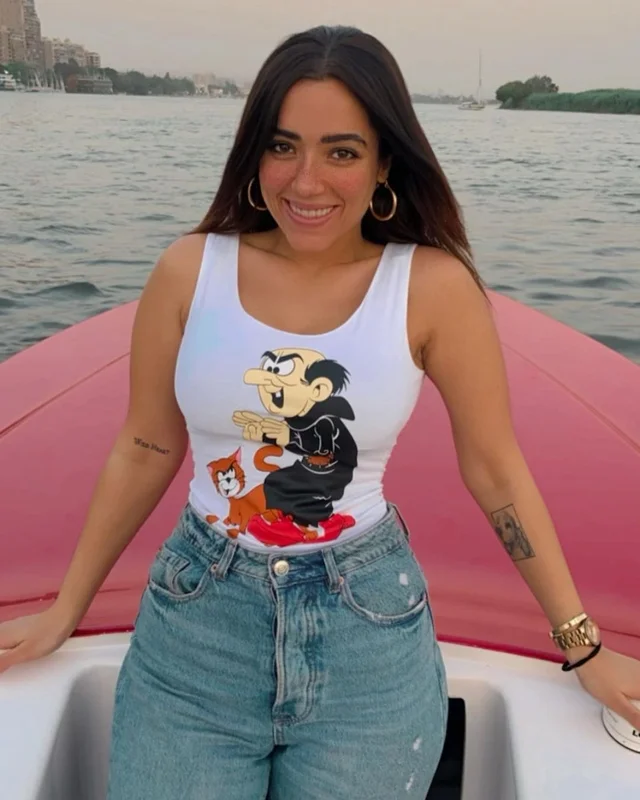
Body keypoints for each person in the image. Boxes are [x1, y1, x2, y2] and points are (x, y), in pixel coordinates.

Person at [1, 24, 639, 800]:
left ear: (384, 163)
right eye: (283, 146)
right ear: (253, 153)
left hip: (365, 634)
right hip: (196, 629)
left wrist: (582, 643)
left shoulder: (431, 288)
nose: (306, 182)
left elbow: (495, 469)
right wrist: (65, 608)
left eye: (341, 151)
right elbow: (145, 445)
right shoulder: (189, 270)